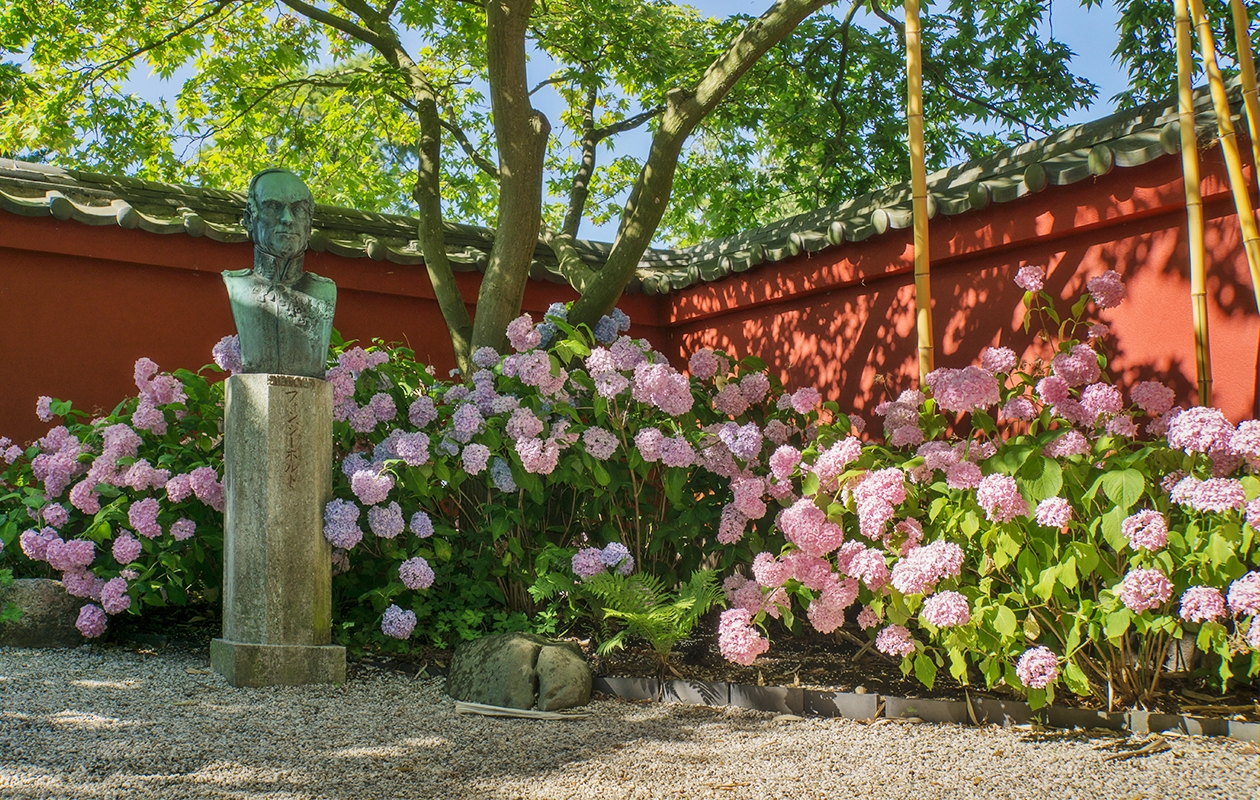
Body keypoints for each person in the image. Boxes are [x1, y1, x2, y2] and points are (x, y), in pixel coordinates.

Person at [222, 169, 336, 378]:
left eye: (298, 209)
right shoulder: (236, 285)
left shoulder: (324, 290)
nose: (287, 219)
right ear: (249, 219)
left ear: (309, 224)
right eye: (273, 207)